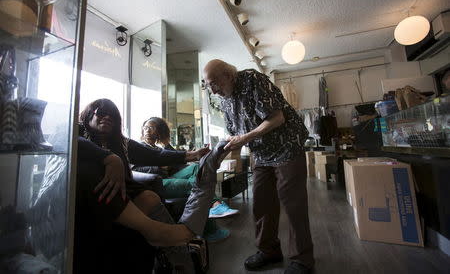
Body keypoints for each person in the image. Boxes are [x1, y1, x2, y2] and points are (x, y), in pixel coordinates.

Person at [75, 98, 215, 273]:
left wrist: (191, 155)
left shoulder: (121, 142)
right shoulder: (76, 132)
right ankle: (161, 235)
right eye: (101, 113)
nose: (107, 117)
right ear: (88, 114)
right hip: (88, 202)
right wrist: (108, 157)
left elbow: (156, 155)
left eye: (113, 115)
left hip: (122, 197)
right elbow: (68, 139)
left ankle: (181, 258)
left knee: (149, 197)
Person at [203, 60, 314, 274]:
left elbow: (277, 118)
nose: (212, 89)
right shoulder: (225, 100)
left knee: (294, 206)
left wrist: (246, 137)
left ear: (228, 74)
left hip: (287, 146)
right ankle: (269, 250)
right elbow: (235, 134)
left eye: (214, 82)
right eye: (208, 85)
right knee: (262, 203)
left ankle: (302, 260)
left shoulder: (253, 80)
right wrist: (213, 157)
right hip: (262, 154)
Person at [132, 117, 239, 241]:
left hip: (167, 177)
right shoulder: (139, 147)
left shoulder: (159, 148)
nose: (148, 131)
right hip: (155, 183)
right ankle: (212, 221)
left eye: (152, 128)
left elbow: (177, 163)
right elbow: (136, 170)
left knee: (196, 169)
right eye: (145, 127)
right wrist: (158, 167)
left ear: (159, 132)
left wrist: (166, 143)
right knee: (195, 184)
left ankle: (215, 206)